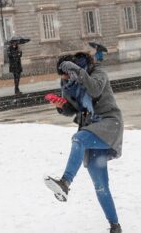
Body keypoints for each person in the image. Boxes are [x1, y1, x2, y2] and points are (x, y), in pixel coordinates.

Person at [45, 52, 124, 233]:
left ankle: (65, 182)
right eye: (63, 75)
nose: (65, 78)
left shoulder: (98, 74)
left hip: (108, 124)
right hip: (92, 129)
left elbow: (95, 89)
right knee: (101, 186)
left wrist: (76, 71)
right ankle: (115, 227)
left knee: (78, 139)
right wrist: (62, 105)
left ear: (75, 68)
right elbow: (74, 109)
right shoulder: (70, 83)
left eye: (66, 74)